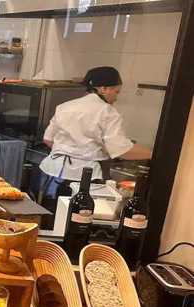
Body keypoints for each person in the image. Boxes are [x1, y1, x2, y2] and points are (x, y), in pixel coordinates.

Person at [38, 66, 152, 207]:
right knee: (79, 215)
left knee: (49, 214)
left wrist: (71, 149)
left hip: (52, 172)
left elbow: (48, 139)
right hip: (84, 178)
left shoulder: (64, 106)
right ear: (103, 89)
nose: (116, 98)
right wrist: (154, 154)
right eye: (116, 91)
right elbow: (121, 150)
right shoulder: (108, 112)